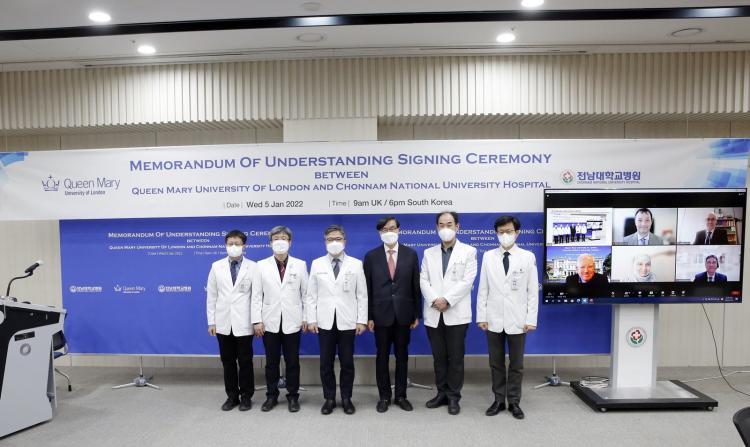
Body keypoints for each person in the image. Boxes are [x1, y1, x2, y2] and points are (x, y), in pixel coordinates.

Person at [476, 216, 538, 420]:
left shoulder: (527, 257)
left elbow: (532, 292)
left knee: (516, 364)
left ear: (517, 233)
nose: (505, 235)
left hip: (518, 319)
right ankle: (498, 400)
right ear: (496, 233)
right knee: (496, 363)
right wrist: (481, 316)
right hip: (493, 318)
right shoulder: (488, 256)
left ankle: (514, 402)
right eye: (501, 232)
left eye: (509, 231)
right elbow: (483, 289)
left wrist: (531, 319)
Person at [306, 224, 367, 415]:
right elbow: (311, 295)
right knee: (326, 363)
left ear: (345, 241)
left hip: (348, 320)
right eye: (330, 239)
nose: (334, 242)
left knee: (347, 362)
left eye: (338, 239)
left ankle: (347, 398)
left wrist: (361, 320)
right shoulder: (317, 264)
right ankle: (329, 398)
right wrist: (311, 319)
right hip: (324, 321)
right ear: (325, 242)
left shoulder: (356, 264)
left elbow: (362, 295)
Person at [420, 211, 477, 415]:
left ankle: (453, 396)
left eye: (449, 224)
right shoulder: (429, 253)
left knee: (455, 358)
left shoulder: (469, 251)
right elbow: (423, 280)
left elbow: (467, 281)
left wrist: (447, 300)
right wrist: (435, 300)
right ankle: (441, 393)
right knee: (439, 358)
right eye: (442, 225)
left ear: (457, 227)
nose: (446, 228)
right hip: (434, 312)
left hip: (456, 313)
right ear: (437, 228)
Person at [363, 216, 421, 413]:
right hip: (380, 315)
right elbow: (367, 289)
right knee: (382, 357)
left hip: (404, 314)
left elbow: (415, 285)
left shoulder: (410, 254)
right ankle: (384, 396)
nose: (389, 232)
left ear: (399, 230)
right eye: (385, 229)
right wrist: (368, 316)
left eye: (392, 228)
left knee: (402, 356)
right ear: (380, 233)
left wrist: (416, 313)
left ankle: (401, 396)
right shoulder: (371, 256)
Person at [251, 226, 308, 413]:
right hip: (269, 322)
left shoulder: (300, 265)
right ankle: (271, 395)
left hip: (293, 320)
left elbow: (306, 294)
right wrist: (257, 320)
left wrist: (306, 318)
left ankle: (293, 396)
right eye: (276, 238)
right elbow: (256, 296)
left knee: (292, 362)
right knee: (271, 362)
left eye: (284, 238)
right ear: (270, 243)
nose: (280, 241)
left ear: (290, 242)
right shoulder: (261, 265)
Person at [206, 229, 257, 412]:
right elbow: (212, 296)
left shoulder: (253, 267)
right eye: (230, 243)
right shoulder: (216, 266)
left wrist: (256, 320)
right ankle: (232, 396)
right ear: (225, 245)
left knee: (245, 361)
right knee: (227, 362)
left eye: (237, 243)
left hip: (244, 322)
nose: (233, 246)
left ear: (244, 246)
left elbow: (256, 297)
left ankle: (246, 397)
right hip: (223, 322)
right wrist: (212, 322)